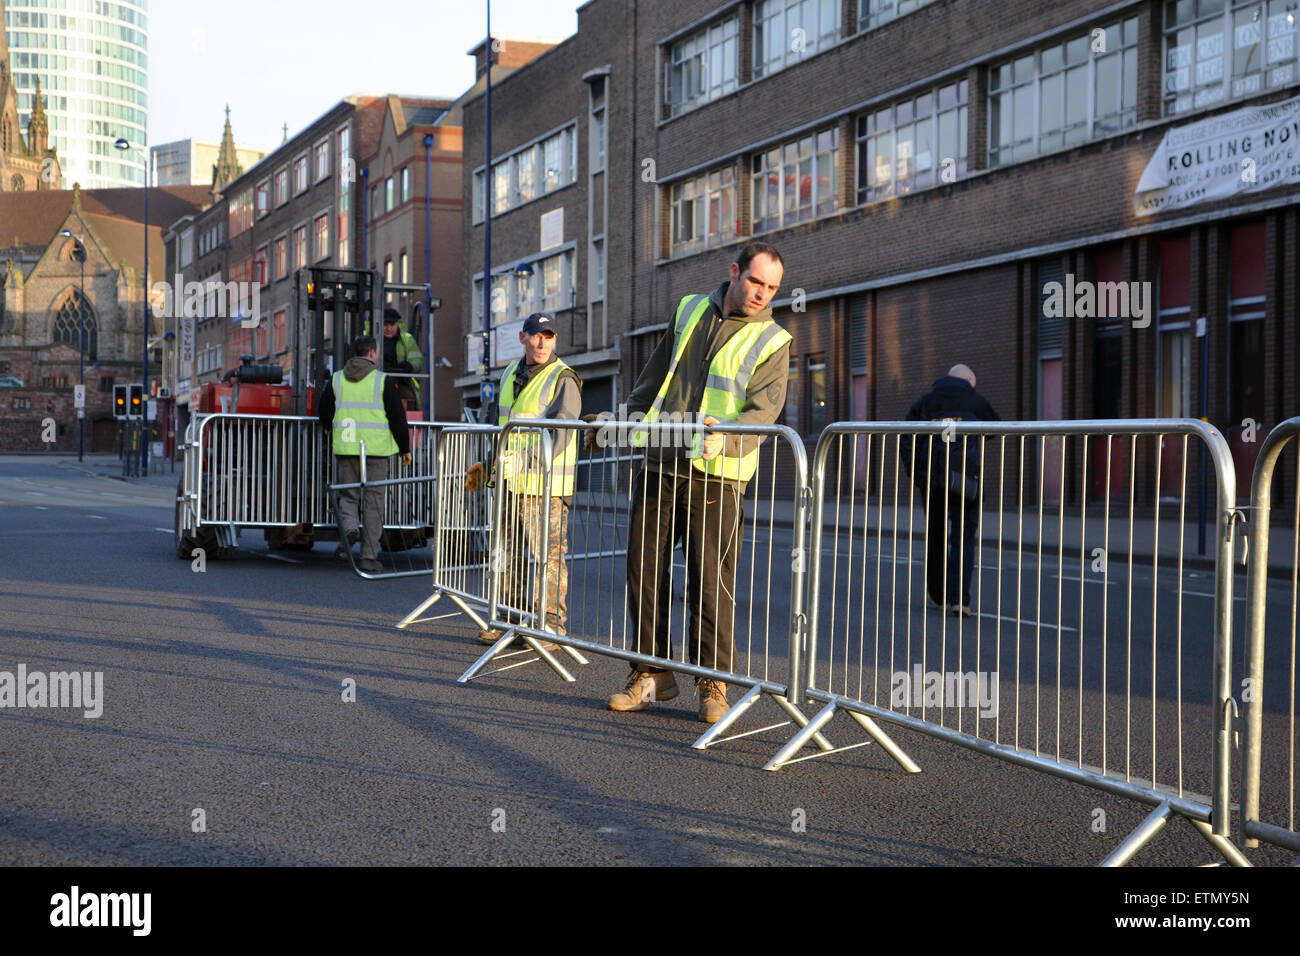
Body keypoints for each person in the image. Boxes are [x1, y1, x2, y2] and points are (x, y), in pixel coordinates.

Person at [606, 242, 790, 724]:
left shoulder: (774, 340)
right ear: (734, 272)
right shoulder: (689, 308)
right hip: (661, 460)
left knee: (711, 582)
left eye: (772, 288)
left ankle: (713, 683)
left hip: (717, 475)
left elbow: (764, 412)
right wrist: (622, 418)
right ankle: (649, 674)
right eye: (755, 282)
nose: (762, 294)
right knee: (644, 572)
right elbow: (656, 374)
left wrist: (726, 440)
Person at [471, 313, 581, 650]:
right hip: (508, 483)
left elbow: (562, 429)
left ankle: (551, 626)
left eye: (549, 336)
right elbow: (499, 424)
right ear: (523, 337)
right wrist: (489, 465)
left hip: (542, 486)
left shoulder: (563, 377)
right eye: (537, 336)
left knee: (548, 558)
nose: (543, 342)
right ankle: (509, 618)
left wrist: (526, 460)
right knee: (507, 554)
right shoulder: (508, 373)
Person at [903, 364, 1000, 617]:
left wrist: (916, 474)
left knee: (935, 535)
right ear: (969, 380)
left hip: (932, 480)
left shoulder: (925, 402)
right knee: (963, 537)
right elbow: (995, 430)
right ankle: (960, 600)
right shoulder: (975, 401)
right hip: (965, 480)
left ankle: (938, 595)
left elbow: (907, 438)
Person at [318, 335, 411, 573]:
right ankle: (369, 556)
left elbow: (325, 408)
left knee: (348, 496)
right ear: (371, 353)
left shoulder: (337, 379)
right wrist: (404, 448)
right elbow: (397, 417)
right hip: (377, 451)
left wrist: (327, 426)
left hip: (347, 448)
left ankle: (350, 528)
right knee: (374, 503)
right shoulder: (382, 380)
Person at [378, 307, 425, 410]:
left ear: (397, 324)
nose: (388, 328)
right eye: (385, 324)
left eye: (392, 325)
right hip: (375, 380)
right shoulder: (370, 338)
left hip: (399, 380)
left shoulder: (407, 339)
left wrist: (410, 365)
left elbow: (417, 360)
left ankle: (407, 423)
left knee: (408, 397)